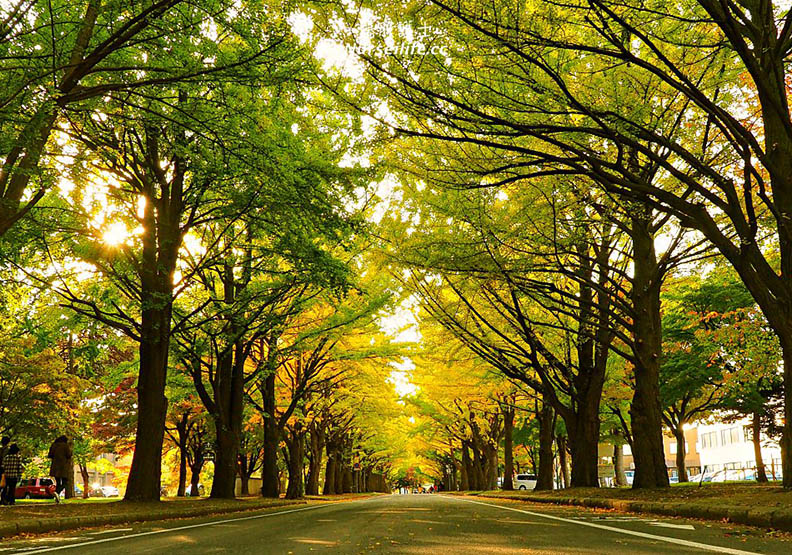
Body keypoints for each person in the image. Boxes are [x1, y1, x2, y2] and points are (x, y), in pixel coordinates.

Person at [48, 436, 71, 501]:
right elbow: (68, 455)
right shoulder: (65, 446)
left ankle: (57, 497)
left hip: (55, 467)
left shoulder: (54, 445)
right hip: (63, 467)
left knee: (58, 482)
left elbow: (50, 455)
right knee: (65, 482)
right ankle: (57, 492)